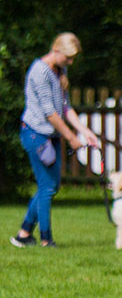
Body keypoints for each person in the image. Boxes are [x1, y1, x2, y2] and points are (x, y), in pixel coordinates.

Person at [11, 32, 100, 248]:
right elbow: (50, 113)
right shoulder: (39, 71)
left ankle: (23, 234)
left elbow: (65, 107)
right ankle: (46, 239)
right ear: (57, 50)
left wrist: (84, 131)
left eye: (72, 58)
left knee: (51, 186)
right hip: (35, 134)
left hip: (50, 136)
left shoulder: (60, 70)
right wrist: (71, 137)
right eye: (68, 57)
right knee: (47, 187)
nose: (70, 62)